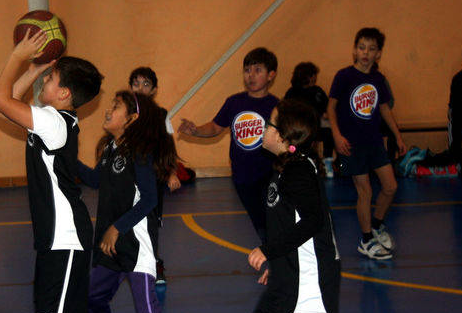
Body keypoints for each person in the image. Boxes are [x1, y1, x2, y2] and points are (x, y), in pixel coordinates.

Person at [0, 29, 102, 313]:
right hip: (55, 238)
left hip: (65, 237)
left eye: (50, 79)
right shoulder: (50, 120)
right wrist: (35, 69)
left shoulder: (53, 123)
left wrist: (17, 56)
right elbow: (6, 106)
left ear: (64, 93)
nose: (44, 81)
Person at [78, 90, 175, 313]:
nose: (108, 109)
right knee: (92, 298)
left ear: (131, 119)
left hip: (134, 241)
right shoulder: (112, 148)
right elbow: (94, 180)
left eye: (116, 106)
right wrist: (66, 158)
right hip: (111, 244)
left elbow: (150, 199)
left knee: (146, 310)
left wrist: (117, 228)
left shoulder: (139, 152)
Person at [248, 99, 340, 313]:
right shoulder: (285, 168)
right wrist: (280, 263)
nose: (264, 127)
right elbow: (288, 222)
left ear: (283, 136)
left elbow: (312, 221)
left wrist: (269, 250)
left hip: (308, 293)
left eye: (269, 124)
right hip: (286, 282)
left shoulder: (298, 171)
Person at [178, 47, 280, 242]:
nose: (251, 75)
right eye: (247, 70)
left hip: (269, 174)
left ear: (271, 75)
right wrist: (196, 130)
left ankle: (277, 260)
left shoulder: (276, 105)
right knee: (258, 221)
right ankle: (271, 252)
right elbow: (216, 127)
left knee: (273, 219)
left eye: (258, 70)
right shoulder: (234, 102)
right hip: (242, 176)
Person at [326, 27, 406, 260]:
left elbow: (384, 109)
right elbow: (330, 108)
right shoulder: (344, 76)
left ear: (378, 54)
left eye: (371, 49)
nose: (365, 53)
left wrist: (397, 136)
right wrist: (337, 136)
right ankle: (366, 240)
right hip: (352, 145)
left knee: (390, 187)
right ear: (354, 50)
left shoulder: (378, 79)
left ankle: (377, 225)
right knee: (365, 192)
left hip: (374, 143)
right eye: (361, 47)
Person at [129, 66, 186, 285]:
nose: (141, 88)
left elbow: (168, 147)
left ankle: (154, 264)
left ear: (154, 90)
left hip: (152, 179)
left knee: (151, 223)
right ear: (130, 87)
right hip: (129, 179)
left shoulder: (161, 115)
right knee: (128, 223)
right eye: (136, 83)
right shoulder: (125, 113)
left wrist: (171, 173)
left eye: (146, 84)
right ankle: (130, 263)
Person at [284, 62, 334, 177]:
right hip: (298, 130)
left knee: (330, 133)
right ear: (306, 76)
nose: (315, 78)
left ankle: (327, 162)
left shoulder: (317, 91)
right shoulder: (292, 93)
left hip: (316, 127)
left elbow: (327, 109)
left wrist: (329, 115)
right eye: (312, 75)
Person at [449, 50, 462, 160]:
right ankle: (454, 159)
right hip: (459, 114)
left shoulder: (458, 77)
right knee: (455, 145)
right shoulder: (459, 78)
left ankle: (455, 157)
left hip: (459, 114)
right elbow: (454, 104)